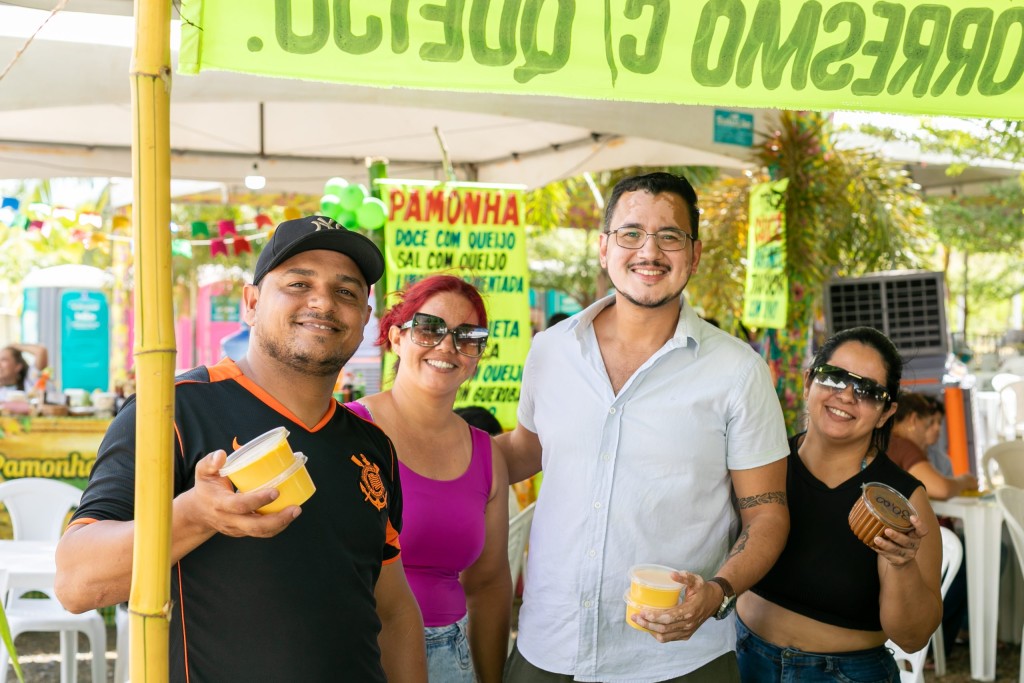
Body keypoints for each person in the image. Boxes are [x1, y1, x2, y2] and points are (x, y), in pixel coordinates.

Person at [55, 215, 427, 682]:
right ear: (250, 304)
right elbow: (75, 581)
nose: (323, 302)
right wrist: (194, 514)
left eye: (346, 291)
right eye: (298, 283)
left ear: (365, 320)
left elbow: (392, 610)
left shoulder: (373, 446)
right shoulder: (171, 410)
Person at [500, 172, 791, 682]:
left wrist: (718, 593)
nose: (648, 252)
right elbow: (526, 449)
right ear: (604, 247)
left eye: (669, 236)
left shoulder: (738, 371)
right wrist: (416, 446)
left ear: (694, 254)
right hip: (550, 643)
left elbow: (767, 516)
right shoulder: (550, 350)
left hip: (676, 659)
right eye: (631, 233)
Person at [736, 326, 943, 682]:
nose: (846, 395)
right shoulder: (762, 464)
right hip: (742, 659)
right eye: (833, 377)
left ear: (885, 412)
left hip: (846, 674)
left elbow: (912, 637)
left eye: (868, 390)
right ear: (807, 383)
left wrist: (902, 562)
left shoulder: (903, 499)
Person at [344, 274, 511, 683]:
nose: (447, 346)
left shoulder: (487, 454)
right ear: (397, 337)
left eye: (467, 336)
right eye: (429, 328)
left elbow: (489, 586)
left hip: (450, 661)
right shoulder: (347, 431)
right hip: (360, 653)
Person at [889, 392, 977, 499]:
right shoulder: (902, 446)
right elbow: (942, 489)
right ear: (913, 419)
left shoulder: (887, 441)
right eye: (928, 424)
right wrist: (965, 480)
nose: (927, 433)